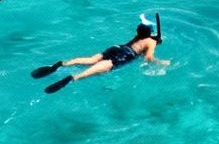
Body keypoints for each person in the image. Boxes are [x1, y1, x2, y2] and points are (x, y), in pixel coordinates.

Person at [32, 14, 166, 93]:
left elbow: (144, 38)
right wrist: (161, 62)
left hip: (117, 48)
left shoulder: (138, 36)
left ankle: (60, 64)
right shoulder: (151, 42)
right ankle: (74, 78)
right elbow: (148, 58)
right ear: (151, 33)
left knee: (91, 59)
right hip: (127, 54)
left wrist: (154, 39)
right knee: (103, 66)